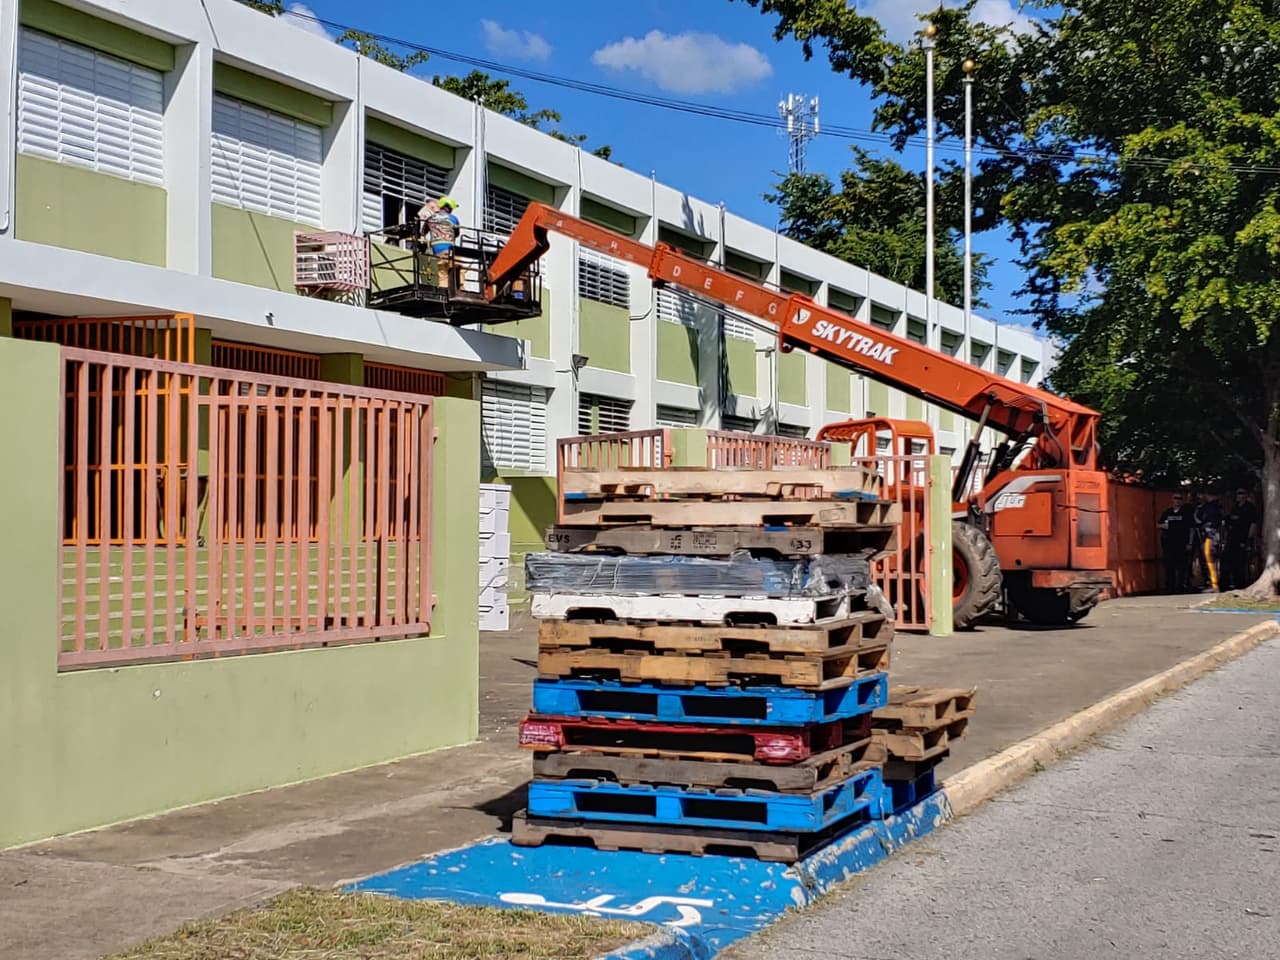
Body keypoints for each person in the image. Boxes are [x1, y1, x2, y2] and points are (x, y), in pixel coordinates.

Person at [417, 196, 460, 289]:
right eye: (451, 208)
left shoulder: (430, 218)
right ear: (448, 207)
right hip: (450, 250)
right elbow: (457, 234)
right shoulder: (453, 218)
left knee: (442, 273)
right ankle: (460, 290)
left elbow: (423, 232)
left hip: (437, 251)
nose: (452, 210)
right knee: (459, 270)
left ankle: (444, 291)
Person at [1157, 492, 1195, 592]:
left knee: (1182, 566)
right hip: (1169, 543)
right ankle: (1170, 586)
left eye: (1179, 498)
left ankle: (1181, 586)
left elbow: (1191, 528)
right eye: (1175, 498)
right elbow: (1159, 524)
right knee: (1169, 566)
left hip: (1182, 543)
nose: (1177, 500)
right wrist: (1166, 526)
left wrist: (1190, 543)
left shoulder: (1186, 512)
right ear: (1172, 500)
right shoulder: (1167, 512)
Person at [1223, 487, 1260, 590]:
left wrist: (1248, 539)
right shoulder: (1235, 507)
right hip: (1232, 538)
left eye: (1241, 493)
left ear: (1246, 495)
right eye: (1238, 493)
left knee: (1241, 562)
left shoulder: (1250, 507)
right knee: (1230, 560)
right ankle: (1233, 582)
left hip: (1243, 539)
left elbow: (1253, 523)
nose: (1239, 495)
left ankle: (1242, 584)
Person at [1194, 490, 1225, 592]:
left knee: (1209, 558)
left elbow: (1201, 520)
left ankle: (1214, 584)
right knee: (1210, 559)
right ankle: (1213, 583)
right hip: (1212, 535)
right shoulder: (1216, 507)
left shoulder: (1210, 507)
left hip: (1210, 536)